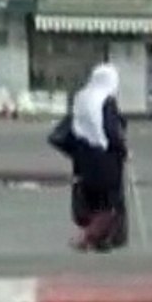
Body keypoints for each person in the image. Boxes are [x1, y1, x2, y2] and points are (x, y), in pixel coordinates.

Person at [65, 63, 129, 251]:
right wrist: (123, 149)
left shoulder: (82, 97)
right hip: (104, 157)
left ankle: (98, 238)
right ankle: (90, 238)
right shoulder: (106, 101)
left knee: (92, 200)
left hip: (83, 155)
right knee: (109, 201)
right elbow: (111, 131)